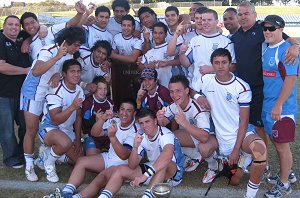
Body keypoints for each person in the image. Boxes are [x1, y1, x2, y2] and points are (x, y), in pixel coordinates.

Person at [231, 1, 299, 180]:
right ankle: (270, 165)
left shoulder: (263, 32)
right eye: (241, 14)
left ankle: (278, 170)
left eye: (247, 13)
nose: (243, 16)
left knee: (270, 134)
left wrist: (296, 46)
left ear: (254, 15)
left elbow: (285, 38)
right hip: (245, 92)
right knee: (259, 128)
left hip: (263, 91)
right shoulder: (236, 35)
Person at [198, 48, 267, 197]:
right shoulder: (206, 79)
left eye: (224, 62)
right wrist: (198, 96)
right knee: (204, 149)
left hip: (240, 135)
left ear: (230, 64)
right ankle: (219, 164)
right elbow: (191, 90)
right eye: (216, 63)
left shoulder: (241, 87)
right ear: (212, 65)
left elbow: (244, 121)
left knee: (260, 151)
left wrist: (236, 149)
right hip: (218, 135)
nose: (220, 66)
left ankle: (250, 194)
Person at [21, 26, 85, 182]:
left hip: (49, 92)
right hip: (34, 92)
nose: (77, 48)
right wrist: (56, 57)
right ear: (67, 41)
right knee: (31, 129)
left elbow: (62, 73)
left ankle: (48, 154)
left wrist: (58, 75)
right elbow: (36, 71)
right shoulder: (49, 49)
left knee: (77, 157)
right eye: (76, 44)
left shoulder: (68, 54)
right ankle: (29, 164)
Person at [55, 99, 138, 198]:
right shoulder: (116, 120)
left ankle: (77, 197)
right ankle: (66, 192)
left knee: (100, 178)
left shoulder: (136, 130)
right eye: (122, 109)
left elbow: (124, 156)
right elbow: (95, 133)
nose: (124, 113)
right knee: (81, 161)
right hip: (109, 158)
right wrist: (102, 119)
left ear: (134, 113)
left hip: (122, 165)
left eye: (129, 110)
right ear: (118, 110)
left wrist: (112, 137)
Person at [97, 108, 185, 198]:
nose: (144, 126)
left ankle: (147, 196)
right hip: (153, 170)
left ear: (155, 121)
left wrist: (144, 176)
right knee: (120, 169)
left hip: (173, 173)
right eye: (141, 123)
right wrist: (135, 147)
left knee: (164, 163)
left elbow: (167, 157)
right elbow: (132, 165)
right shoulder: (142, 135)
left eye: (147, 122)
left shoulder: (165, 134)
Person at [260, 15, 299, 198]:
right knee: (277, 143)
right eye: (265, 28)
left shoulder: (286, 51)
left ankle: (284, 184)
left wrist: (279, 105)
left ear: (281, 30)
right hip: (269, 108)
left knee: (282, 147)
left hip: (282, 110)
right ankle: (287, 173)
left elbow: (291, 80)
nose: (267, 31)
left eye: (271, 28)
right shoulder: (266, 47)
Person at [38, 59, 85, 183]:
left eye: (78, 72)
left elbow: (78, 117)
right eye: (72, 71)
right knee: (64, 144)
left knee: (79, 161)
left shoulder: (79, 90)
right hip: (49, 128)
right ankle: (49, 162)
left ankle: (48, 152)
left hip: (66, 130)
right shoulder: (55, 90)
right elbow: (55, 120)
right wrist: (72, 107)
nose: (76, 75)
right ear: (64, 74)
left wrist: (78, 140)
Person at [156, 75, 211, 173]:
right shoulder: (174, 106)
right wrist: (160, 119)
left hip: (208, 139)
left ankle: (212, 161)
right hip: (192, 137)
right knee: (162, 136)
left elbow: (205, 137)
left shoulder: (197, 107)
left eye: (178, 91)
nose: (174, 95)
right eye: (171, 91)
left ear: (187, 91)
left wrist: (184, 123)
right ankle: (193, 156)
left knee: (172, 137)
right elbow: (163, 123)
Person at [179, 9, 235, 93]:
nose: (205, 22)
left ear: (216, 21)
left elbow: (233, 66)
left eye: (209, 20)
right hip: (198, 88)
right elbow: (186, 63)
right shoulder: (195, 40)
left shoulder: (226, 42)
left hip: (219, 89)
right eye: (203, 20)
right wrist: (182, 53)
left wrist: (212, 69)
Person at [0, 15, 31, 169]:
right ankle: (10, 158)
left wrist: (27, 40)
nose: (13, 27)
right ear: (4, 26)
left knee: (25, 125)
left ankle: (22, 154)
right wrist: (25, 70)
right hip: (3, 94)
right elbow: (2, 67)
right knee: (6, 129)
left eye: (16, 25)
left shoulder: (21, 37)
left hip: (22, 93)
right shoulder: (0, 40)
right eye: (10, 24)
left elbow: (37, 31)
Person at [20, 1, 86, 59]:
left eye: (32, 22)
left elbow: (69, 24)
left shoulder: (50, 30)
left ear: (38, 22)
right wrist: (27, 41)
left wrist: (79, 14)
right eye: (27, 24)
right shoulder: (25, 42)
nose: (31, 26)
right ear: (23, 27)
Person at [139, 22, 181, 88]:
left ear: (166, 34)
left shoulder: (171, 47)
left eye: (160, 33)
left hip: (173, 88)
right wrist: (148, 66)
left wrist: (167, 63)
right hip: (157, 91)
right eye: (155, 33)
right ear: (152, 34)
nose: (157, 36)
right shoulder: (149, 52)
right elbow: (141, 67)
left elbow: (181, 61)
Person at [82, 76, 115, 156]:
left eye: (105, 89)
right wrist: (95, 120)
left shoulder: (110, 102)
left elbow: (116, 120)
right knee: (91, 156)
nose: (103, 92)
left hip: (106, 134)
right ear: (94, 89)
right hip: (92, 136)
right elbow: (85, 124)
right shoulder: (88, 102)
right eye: (100, 88)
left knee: (118, 153)